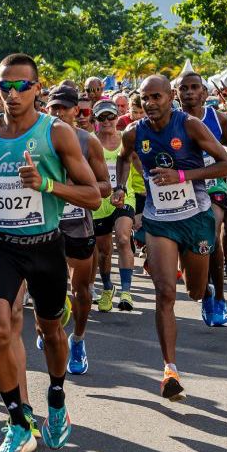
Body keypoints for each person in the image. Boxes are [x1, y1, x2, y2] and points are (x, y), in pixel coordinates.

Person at [0, 53, 101, 452]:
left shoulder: (57, 133)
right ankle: (18, 422)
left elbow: (93, 195)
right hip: (2, 246)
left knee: (51, 332)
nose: (12, 94)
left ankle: (56, 395)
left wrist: (47, 184)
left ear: (37, 88)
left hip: (46, 246)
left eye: (22, 86)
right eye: (5, 86)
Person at [114, 75, 227, 401]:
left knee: (194, 291)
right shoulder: (134, 132)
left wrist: (182, 175)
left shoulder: (191, 125)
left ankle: (207, 291)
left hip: (196, 217)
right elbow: (123, 156)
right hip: (160, 221)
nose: (150, 103)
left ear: (170, 97)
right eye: (145, 98)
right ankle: (170, 369)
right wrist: (120, 187)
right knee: (165, 292)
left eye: (157, 97)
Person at [47, 85, 110, 375]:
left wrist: (73, 189)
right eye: (54, 108)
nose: (59, 113)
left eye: (64, 108)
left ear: (76, 111)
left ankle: (78, 339)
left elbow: (105, 186)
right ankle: (48, 329)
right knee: (46, 287)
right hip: (44, 224)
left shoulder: (88, 142)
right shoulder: (35, 138)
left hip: (78, 225)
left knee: (81, 290)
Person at [178, 70, 227, 326]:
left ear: (203, 92)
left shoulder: (218, 118)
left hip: (213, 184)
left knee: (212, 232)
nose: (189, 92)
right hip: (184, 186)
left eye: (194, 87)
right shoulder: (172, 120)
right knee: (190, 243)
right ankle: (205, 288)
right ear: (176, 93)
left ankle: (220, 298)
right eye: (184, 88)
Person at [92, 100, 136, 312]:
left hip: (124, 196)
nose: (107, 121)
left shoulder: (126, 139)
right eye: (102, 117)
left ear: (117, 116)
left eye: (110, 116)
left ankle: (126, 291)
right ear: (95, 120)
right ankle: (108, 288)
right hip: (99, 202)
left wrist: (144, 205)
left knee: (123, 238)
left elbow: (139, 169)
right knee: (104, 252)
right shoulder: (90, 141)